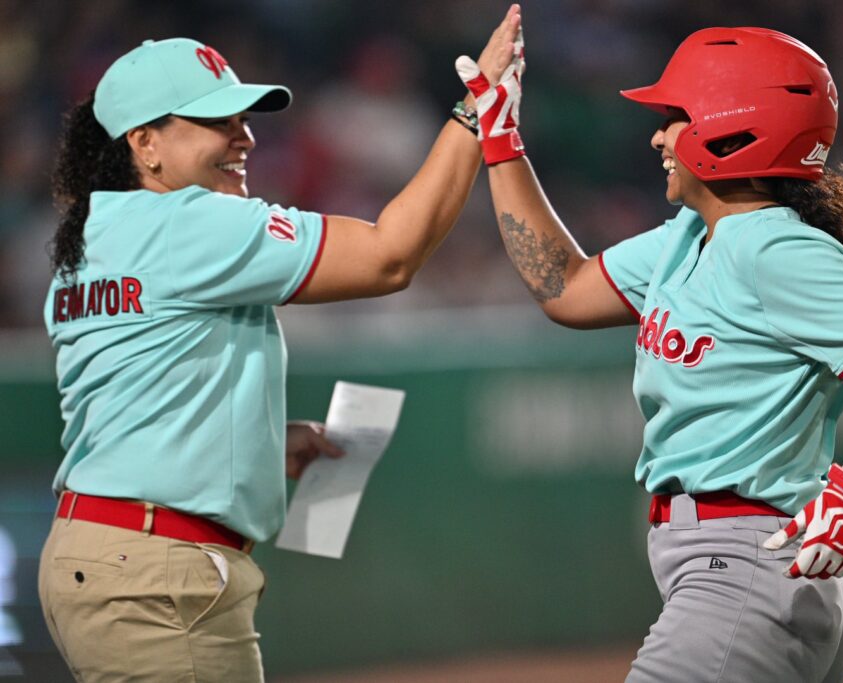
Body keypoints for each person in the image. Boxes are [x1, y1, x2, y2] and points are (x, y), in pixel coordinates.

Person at [458, 24, 843, 683]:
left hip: (745, 569)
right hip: (737, 572)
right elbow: (565, 288)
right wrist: (500, 140)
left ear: (732, 127)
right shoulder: (692, 234)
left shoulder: (775, 245)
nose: (658, 136)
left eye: (675, 117)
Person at [38, 6, 522, 681]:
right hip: (158, 571)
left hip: (104, 554)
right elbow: (391, 256)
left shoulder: (93, 238)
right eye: (216, 121)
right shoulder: (188, 222)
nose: (245, 138)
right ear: (144, 143)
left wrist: (255, 438)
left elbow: (140, 395)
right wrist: (477, 113)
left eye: (243, 119)